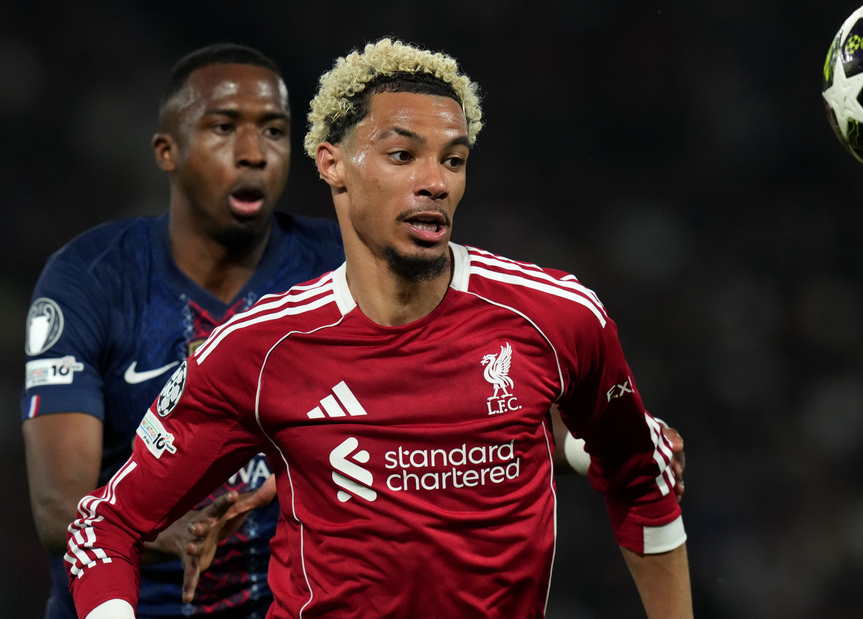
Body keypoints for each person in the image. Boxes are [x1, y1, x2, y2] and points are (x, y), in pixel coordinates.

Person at [65, 38, 692, 618]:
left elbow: (644, 479)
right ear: (332, 164)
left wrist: (603, 448)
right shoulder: (258, 352)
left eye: (454, 159)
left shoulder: (556, 318)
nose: (435, 182)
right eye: (402, 155)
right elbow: (105, 527)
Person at [22, 43, 347, 618]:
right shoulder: (94, 279)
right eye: (224, 127)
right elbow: (56, 508)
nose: (253, 153)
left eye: (273, 131)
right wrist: (163, 528)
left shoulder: (340, 266)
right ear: (167, 151)